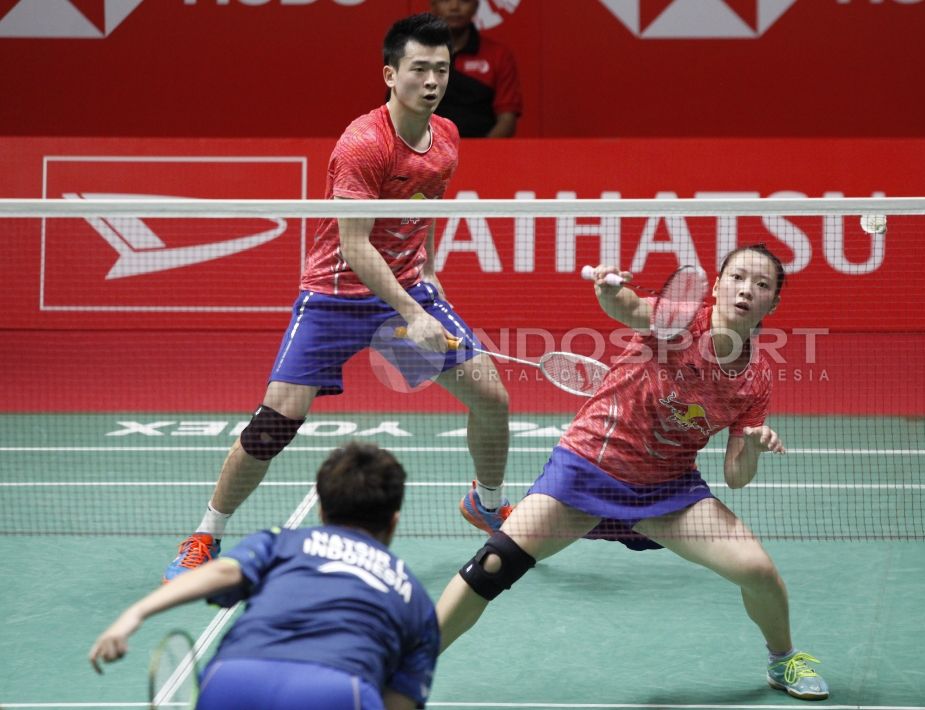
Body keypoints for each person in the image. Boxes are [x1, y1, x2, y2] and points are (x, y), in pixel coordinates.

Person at [164, 13, 512, 582]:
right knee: (276, 424)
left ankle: (488, 504)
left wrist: (428, 270)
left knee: (492, 399)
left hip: (405, 288)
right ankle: (206, 534)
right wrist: (413, 312)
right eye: (418, 69)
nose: (432, 81)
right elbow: (353, 246)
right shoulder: (363, 143)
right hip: (335, 297)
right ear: (389, 73)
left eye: (441, 70)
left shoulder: (446, 136)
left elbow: (426, 207)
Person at [434, 245, 831, 701]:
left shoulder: (756, 379)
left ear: (773, 303)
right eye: (738, 278)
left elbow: (736, 476)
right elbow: (632, 308)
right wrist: (608, 290)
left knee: (758, 571)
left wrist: (756, 447)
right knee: (494, 564)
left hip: (667, 491)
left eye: (762, 285)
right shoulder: (680, 319)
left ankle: (783, 661)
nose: (747, 290)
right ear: (717, 285)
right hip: (588, 466)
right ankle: (410, 663)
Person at [91, 442, 438, 710]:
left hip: (232, 678)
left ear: (320, 509)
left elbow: (223, 571)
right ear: (394, 521)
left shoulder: (281, 542)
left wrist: (135, 613)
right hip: (337, 689)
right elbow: (399, 702)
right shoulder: (414, 597)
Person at [430, 0, 522, 138]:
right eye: (446, 0)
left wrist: (481, 154)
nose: (454, 7)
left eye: (464, 1)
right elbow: (399, 116)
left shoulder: (499, 55)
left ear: (476, 6)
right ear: (433, 6)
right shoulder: (414, 55)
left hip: (484, 155)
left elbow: (507, 121)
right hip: (427, 155)